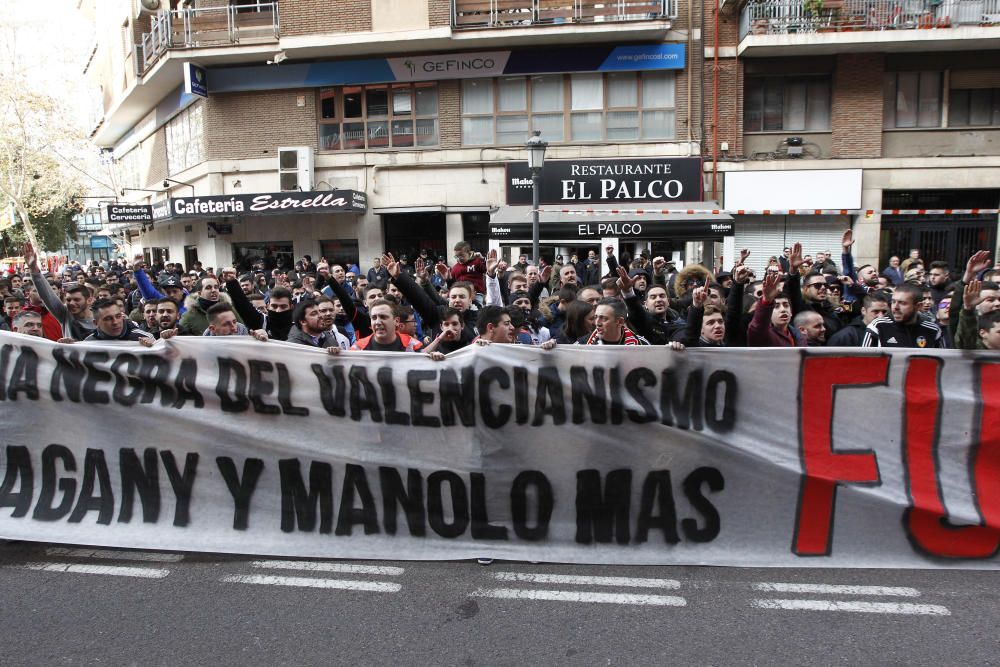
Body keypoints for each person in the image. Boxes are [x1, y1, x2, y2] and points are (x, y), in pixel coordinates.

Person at [862, 283, 946, 348]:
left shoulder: (933, 330)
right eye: (893, 302)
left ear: (918, 306)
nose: (895, 307)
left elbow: (943, 365)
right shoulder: (878, 326)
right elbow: (865, 363)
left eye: (903, 303)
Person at [747, 273, 802, 347]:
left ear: (791, 312)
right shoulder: (762, 334)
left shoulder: (799, 335)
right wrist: (766, 301)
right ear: (769, 312)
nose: (783, 310)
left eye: (786, 305)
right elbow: (757, 327)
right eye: (776, 306)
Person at [350, 300, 422, 351]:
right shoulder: (358, 348)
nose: (377, 322)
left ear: (396, 321)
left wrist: (432, 358)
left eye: (383, 317)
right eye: (374, 318)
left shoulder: (412, 345)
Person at [580, 298, 649, 345]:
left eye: (604, 318)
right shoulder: (582, 344)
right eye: (596, 317)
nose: (597, 323)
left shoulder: (641, 345)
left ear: (620, 322)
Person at [83, 299, 154, 344]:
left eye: (118, 316)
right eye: (108, 319)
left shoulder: (144, 337)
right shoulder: (88, 344)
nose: (115, 322)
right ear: (96, 323)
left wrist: (153, 346)